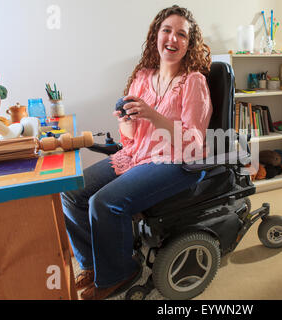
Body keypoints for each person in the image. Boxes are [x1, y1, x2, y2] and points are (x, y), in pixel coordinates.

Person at [61, 5, 212, 300]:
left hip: (178, 162)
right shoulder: (143, 77)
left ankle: (121, 272)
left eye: (181, 34)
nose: (173, 38)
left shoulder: (194, 82)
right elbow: (130, 137)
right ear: (156, 35)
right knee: (70, 191)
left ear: (189, 44)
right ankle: (93, 265)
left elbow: (194, 143)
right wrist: (125, 121)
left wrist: (154, 116)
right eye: (167, 30)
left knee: (104, 203)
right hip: (138, 154)